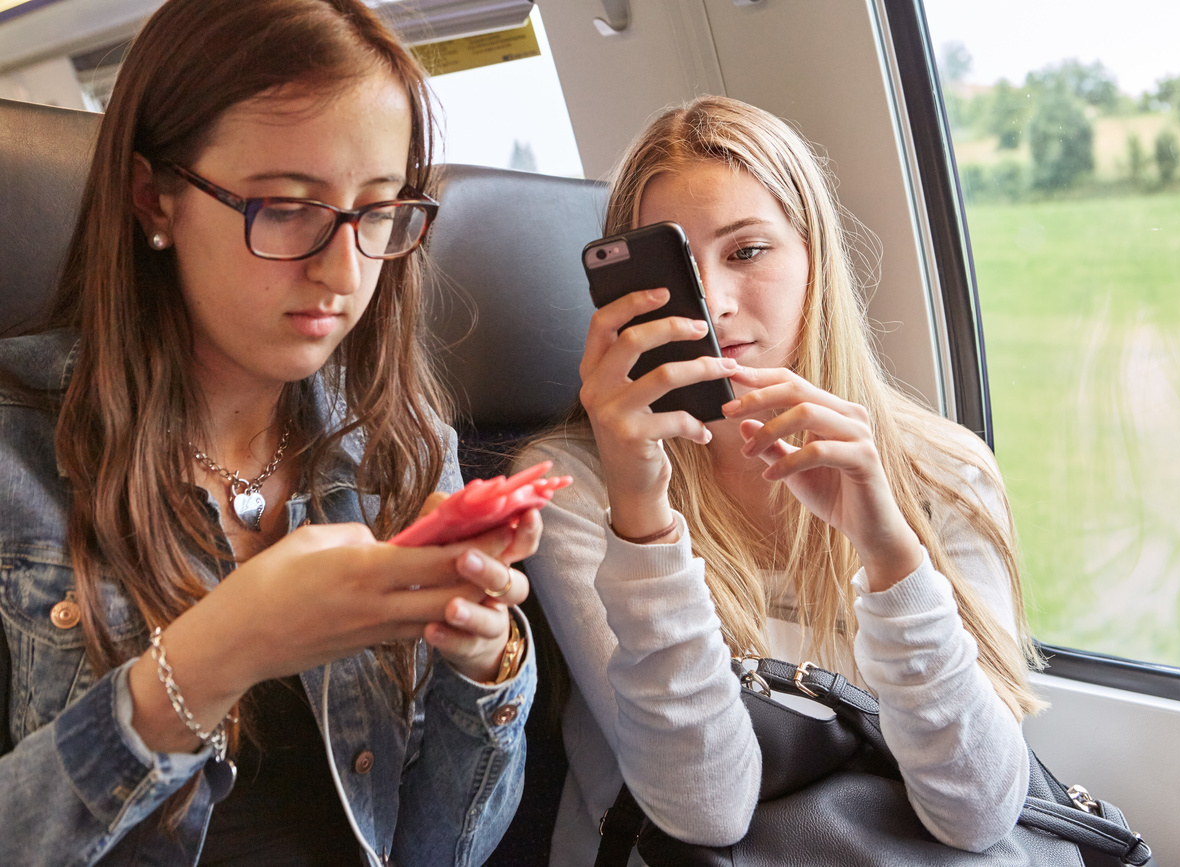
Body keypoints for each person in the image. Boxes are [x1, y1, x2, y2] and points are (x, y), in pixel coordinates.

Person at [0, 1, 538, 864]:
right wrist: (214, 658)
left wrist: (486, 666)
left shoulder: (400, 450)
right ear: (154, 197)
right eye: (288, 208)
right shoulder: (13, 455)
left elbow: (439, 851)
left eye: (375, 211)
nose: (344, 270)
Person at [518, 95, 1046, 864]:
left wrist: (889, 550)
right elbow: (706, 810)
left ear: (813, 260)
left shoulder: (947, 473)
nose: (713, 307)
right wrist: (643, 510)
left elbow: (979, 810)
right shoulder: (577, 487)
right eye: (676, 269)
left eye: (746, 252)